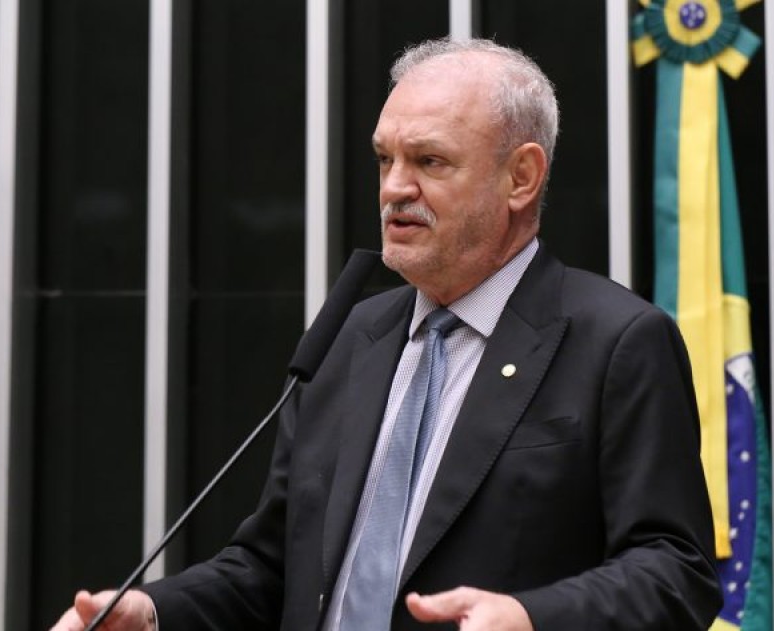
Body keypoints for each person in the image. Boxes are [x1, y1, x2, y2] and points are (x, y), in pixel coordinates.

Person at [52, 37, 721, 631]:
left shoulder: (617, 341)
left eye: (430, 161)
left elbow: (676, 572)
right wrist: (156, 613)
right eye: (384, 159)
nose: (395, 188)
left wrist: (530, 617)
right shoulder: (354, 335)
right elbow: (272, 566)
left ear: (521, 177)